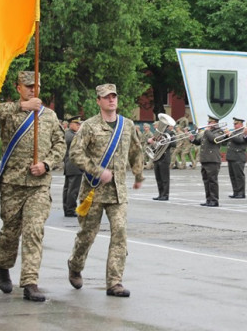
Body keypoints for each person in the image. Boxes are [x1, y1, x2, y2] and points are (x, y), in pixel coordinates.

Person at [0, 71, 65, 302]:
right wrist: (21, 106)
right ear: (19, 87)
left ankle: (30, 281)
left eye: (36, 86)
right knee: (10, 234)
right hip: (12, 184)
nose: (33, 90)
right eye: (28, 86)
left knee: (33, 231)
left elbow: (60, 145)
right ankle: (3, 265)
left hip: (38, 185)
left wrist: (47, 164)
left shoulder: (49, 116)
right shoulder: (9, 112)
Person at [67, 83, 144, 297]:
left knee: (119, 234)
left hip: (118, 193)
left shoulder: (126, 125)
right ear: (98, 101)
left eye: (113, 96)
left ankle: (114, 282)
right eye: (106, 97)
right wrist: (97, 170)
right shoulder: (89, 126)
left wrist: (138, 175)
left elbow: (136, 151)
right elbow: (75, 154)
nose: (111, 100)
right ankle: (75, 265)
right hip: (93, 192)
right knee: (87, 236)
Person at [191, 115, 225, 206]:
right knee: (206, 180)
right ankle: (208, 199)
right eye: (208, 122)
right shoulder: (208, 132)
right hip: (205, 159)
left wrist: (207, 131)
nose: (208, 124)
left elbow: (214, 140)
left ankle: (214, 200)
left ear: (215, 123)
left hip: (213, 160)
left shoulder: (219, 132)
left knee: (212, 181)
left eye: (210, 122)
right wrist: (192, 138)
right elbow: (199, 142)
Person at [225, 117, 247, 198]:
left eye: (236, 124)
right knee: (232, 176)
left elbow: (240, 140)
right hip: (232, 156)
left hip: (239, 156)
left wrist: (230, 134)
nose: (234, 125)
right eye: (234, 124)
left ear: (241, 124)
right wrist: (227, 136)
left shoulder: (243, 131)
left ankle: (241, 193)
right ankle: (235, 192)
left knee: (239, 176)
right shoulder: (235, 132)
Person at [62, 115, 84, 216]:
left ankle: (67, 209)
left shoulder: (70, 134)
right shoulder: (70, 135)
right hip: (74, 165)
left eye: (79, 124)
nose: (79, 126)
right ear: (70, 124)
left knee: (68, 188)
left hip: (70, 165)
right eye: (77, 124)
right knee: (73, 189)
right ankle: (70, 209)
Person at [151, 122, 176, 201]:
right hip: (157, 157)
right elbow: (154, 146)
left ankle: (165, 195)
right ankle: (160, 194)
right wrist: (153, 142)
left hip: (164, 157)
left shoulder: (170, 133)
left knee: (164, 178)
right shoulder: (157, 134)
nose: (157, 128)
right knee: (158, 177)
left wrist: (165, 140)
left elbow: (174, 144)